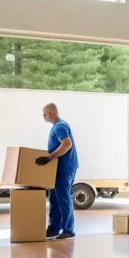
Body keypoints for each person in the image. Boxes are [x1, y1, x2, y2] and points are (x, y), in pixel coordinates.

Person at [35, 103, 79, 240]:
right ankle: (54, 228)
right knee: (54, 199)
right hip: (57, 169)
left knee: (63, 199)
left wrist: (49, 157)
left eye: (44, 114)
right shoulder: (58, 125)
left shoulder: (60, 126)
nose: (43, 117)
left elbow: (67, 144)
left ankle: (68, 230)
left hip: (64, 168)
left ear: (51, 113)